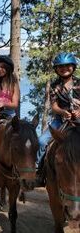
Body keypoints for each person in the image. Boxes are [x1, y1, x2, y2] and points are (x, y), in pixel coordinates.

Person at [35, 52, 79, 186]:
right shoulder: (55, 86)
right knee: (42, 141)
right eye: (60, 67)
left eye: (67, 66)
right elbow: (54, 106)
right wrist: (63, 112)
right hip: (61, 120)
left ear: (73, 67)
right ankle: (39, 171)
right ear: (56, 69)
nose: (64, 68)